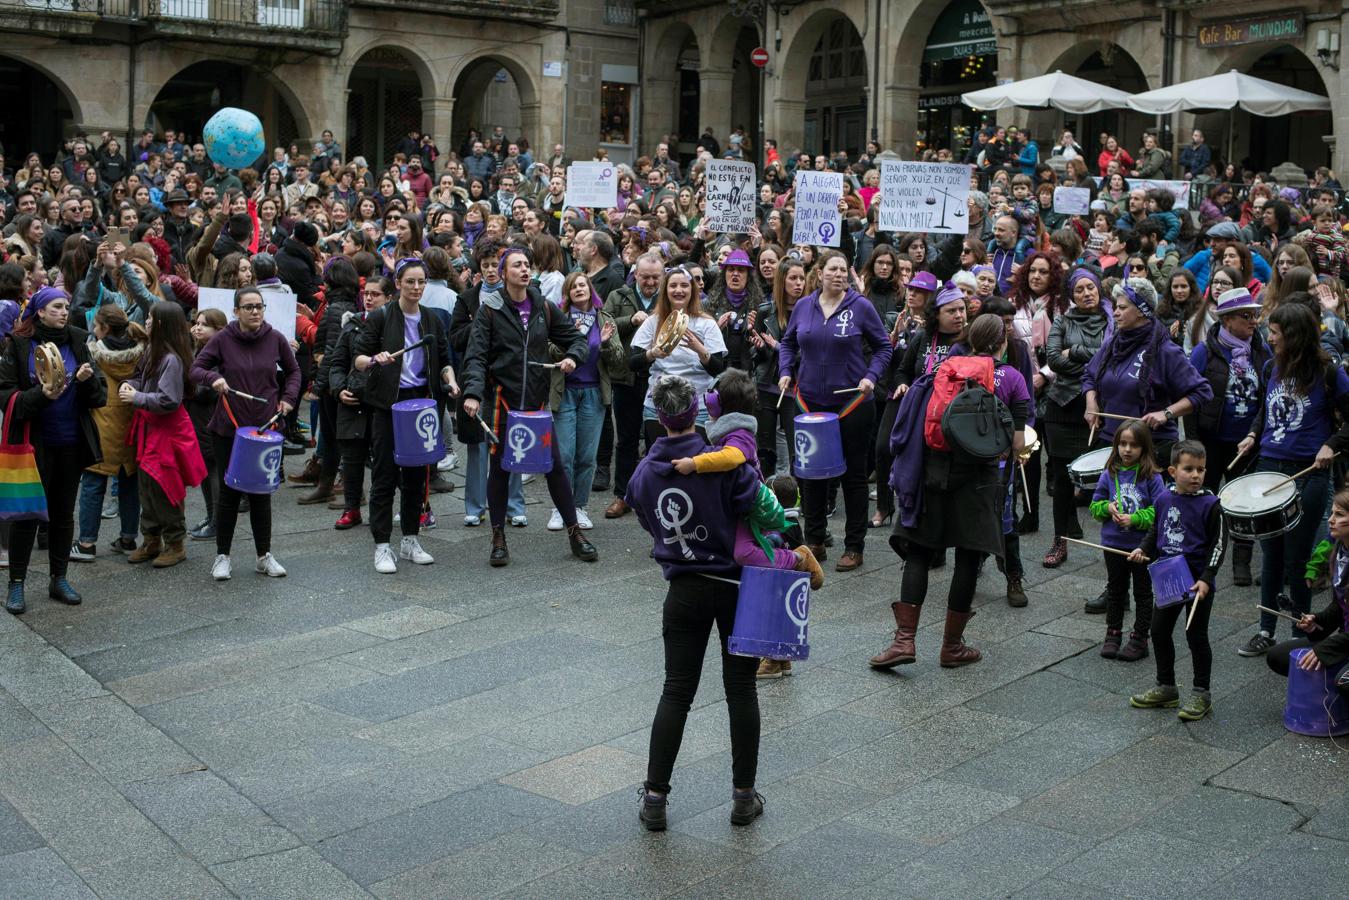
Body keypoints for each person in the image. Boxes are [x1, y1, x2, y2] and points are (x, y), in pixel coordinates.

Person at [626, 374, 764, 832]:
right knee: (741, 690)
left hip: (683, 590)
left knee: (676, 692)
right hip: (735, 586)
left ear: (660, 417)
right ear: (698, 413)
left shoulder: (646, 473)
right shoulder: (721, 460)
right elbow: (755, 500)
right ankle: (743, 797)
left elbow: (646, 516)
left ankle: (655, 798)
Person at [873, 313, 1028, 669]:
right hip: (978, 478)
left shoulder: (943, 370)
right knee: (969, 558)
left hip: (932, 471)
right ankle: (952, 646)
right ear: (1002, 342)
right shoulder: (1012, 379)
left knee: (919, 553)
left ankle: (904, 642)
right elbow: (1015, 443)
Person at [460, 246, 599, 567]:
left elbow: (576, 339)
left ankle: (574, 531)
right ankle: (498, 536)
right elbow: (477, 355)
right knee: (499, 468)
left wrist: (572, 358)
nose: (524, 269)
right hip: (502, 402)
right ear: (505, 273)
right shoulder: (490, 310)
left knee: (554, 466)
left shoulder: (544, 307)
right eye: (517, 265)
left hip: (536, 404)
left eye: (527, 264)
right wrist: (472, 393)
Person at [1236, 303, 1349, 657]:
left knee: (1297, 558)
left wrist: (1331, 445)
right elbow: (1264, 411)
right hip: (1269, 465)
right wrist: (1253, 435)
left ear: (1295, 336)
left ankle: (1301, 630)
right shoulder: (1271, 366)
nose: (1268, 337)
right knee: (1270, 552)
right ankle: (1266, 629)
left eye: (1275, 332)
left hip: (1309, 472)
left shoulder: (1329, 372)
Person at [777, 250, 891, 573]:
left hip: (852, 405)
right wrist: (786, 369)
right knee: (810, 476)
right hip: (810, 404)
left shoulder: (861, 307)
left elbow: (884, 347)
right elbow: (788, 343)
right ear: (821, 273)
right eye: (833, 269)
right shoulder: (803, 306)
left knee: (853, 477)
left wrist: (871, 377)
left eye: (843, 270)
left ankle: (855, 545)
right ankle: (814, 540)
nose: (839, 274)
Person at [353, 258, 459, 575]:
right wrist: (374, 359)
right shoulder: (381, 317)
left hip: (421, 403)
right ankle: (382, 544)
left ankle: (410, 539)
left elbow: (443, 358)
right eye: (410, 281)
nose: (416, 287)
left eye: (421, 282)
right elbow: (357, 359)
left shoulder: (432, 319)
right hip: (389, 403)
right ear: (398, 283)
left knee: (416, 476)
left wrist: (450, 381)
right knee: (385, 474)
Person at [190, 286, 300, 582]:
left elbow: (294, 372)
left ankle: (263, 556)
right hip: (229, 427)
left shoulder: (275, 337)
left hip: (265, 427)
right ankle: (222, 556)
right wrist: (214, 379)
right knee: (228, 494)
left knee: (261, 494)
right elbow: (197, 369)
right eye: (248, 307)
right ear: (236, 311)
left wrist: (288, 399)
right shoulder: (223, 339)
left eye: (259, 306)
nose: (255, 311)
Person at [1128, 441, 1226, 722]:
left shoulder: (1212, 505)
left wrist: (1207, 578)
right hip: (1169, 577)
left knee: (1196, 636)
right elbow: (1155, 531)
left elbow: (1219, 545)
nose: (1196, 475)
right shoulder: (1163, 500)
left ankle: (1201, 692)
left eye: (1201, 469)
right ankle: (1166, 687)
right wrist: (1143, 549)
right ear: (1172, 471)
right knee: (1158, 632)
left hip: (1197, 582)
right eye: (1188, 469)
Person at [1084, 278, 1213, 468]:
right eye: (1115, 307)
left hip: (1151, 444)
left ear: (1141, 311)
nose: (1115, 313)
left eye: (1122, 307)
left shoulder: (1165, 350)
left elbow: (1202, 392)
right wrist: (1090, 403)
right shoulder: (1113, 343)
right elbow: (1089, 375)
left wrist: (1166, 413)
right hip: (1112, 440)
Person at [1189, 287, 1270, 585]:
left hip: (1247, 443)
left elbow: (1268, 394)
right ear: (1226, 320)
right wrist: (1194, 441)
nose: (1254, 321)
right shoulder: (1205, 351)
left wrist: (1257, 433)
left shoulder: (1262, 350)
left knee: (1244, 502)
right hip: (1211, 440)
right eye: (1246, 316)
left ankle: (1242, 561)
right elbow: (1191, 396)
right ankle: (1203, 553)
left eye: (1255, 315)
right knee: (1206, 498)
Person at [121, 301, 207, 569]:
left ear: (160, 324)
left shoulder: (170, 359)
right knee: (147, 487)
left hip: (166, 433)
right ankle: (151, 540)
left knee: (164, 487)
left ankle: (175, 543)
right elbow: (140, 378)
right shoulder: (152, 351)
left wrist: (137, 396)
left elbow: (169, 400)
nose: (145, 321)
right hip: (151, 429)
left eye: (149, 317)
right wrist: (132, 385)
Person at [548, 271, 625, 530]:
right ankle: (560, 508)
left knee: (586, 457)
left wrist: (603, 343)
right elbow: (549, 350)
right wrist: (575, 339)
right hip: (565, 392)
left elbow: (618, 360)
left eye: (582, 285)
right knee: (564, 456)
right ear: (567, 294)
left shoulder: (604, 319)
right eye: (573, 287)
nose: (579, 289)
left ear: (590, 289)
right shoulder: (560, 319)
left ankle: (579, 507)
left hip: (593, 393)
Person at [1042, 269, 1110, 566]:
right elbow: (1053, 359)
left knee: (1094, 474)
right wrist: (1090, 360)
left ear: (1098, 290)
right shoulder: (1062, 320)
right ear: (1072, 294)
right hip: (1061, 405)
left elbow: (1110, 357)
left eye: (1091, 288)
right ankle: (1060, 539)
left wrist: (1077, 351)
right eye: (1080, 289)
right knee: (1061, 477)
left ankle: (1103, 537)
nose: (1086, 293)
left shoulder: (1112, 321)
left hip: (1095, 407)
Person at [72, 305, 146, 563]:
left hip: (103, 423)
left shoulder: (94, 354)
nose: (93, 329)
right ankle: (128, 538)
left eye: (96, 325)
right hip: (132, 424)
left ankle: (87, 544)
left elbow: (90, 391)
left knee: (94, 483)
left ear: (104, 328)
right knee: (129, 483)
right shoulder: (140, 351)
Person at [1090, 419, 1165, 661]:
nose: (1127, 450)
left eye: (1133, 445)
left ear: (1144, 448)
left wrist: (1134, 519)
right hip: (1113, 543)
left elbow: (1161, 510)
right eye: (1122, 444)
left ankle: (1140, 638)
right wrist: (1106, 508)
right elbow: (1094, 505)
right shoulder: (1109, 474)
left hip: (1141, 545)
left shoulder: (1152, 477)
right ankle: (1113, 634)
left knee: (1143, 593)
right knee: (1116, 590)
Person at [1266, 488, 1349, 705]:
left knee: (1345, 682)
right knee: (1279, 657)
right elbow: (1340, 607)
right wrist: (1317, 622)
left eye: (1340, 515)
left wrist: (1325, 650)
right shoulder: (1339, 550)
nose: (1331, 521)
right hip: (1345, 640)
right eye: (1332, 513)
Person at [630, 265, 727, 444]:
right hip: (659, 404)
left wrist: (700, 349)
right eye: (673, 285)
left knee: (693, 463)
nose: (679, 290)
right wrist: (653, 353)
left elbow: (718, 369)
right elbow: (633, 363)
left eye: (684, 285)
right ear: (665, 290)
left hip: (697, 405)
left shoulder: (707, 323)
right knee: (661, 464)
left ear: (693, 290)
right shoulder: (653, 321)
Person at [602, 253, 664, 519]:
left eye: (655, 277)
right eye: (645, 277)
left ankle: (653, 498)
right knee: (626, 440)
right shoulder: (619, 296)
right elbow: (603, 325)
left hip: (659, 379)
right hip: (627, 376)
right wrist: (631, 321)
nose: (650, 282)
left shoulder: (668, 296)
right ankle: (622, 496)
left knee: (656, 442)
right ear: (635, 274)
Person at [748, 256, 807, 479]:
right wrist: (760, 347)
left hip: (795, 389)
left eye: (801, 278)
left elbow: (808, 354)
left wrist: (777, 347)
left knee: (797, 449)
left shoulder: (811, 310)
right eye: (793, 278)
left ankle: (796, 496)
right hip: (766, 386)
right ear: (782, 281)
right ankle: (765, 497)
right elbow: (755, 356)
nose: (798, 283)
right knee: (765, 449)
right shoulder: (765, 311)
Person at [187, 309, 227, 540]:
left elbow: (204, 391)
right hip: (198, 416)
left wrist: (187, 387)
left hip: (209, 416)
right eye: (197, 323)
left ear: (218, 330)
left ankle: (218, 521)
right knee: (205, 468)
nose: (198, 327)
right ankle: (211, 515)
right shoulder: (202, 349)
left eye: (204, 325)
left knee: (212, 469)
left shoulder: (218, 354)